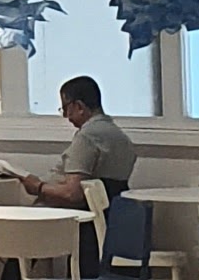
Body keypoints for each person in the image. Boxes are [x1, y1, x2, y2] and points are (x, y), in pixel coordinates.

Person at [25, 73, 138, 209]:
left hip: (71, 214)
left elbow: (73, 194)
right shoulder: (121, 137)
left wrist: (38, 186)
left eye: (66, 108)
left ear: (79, 106)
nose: (66, 116)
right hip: (110, 212)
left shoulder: (87, 137)